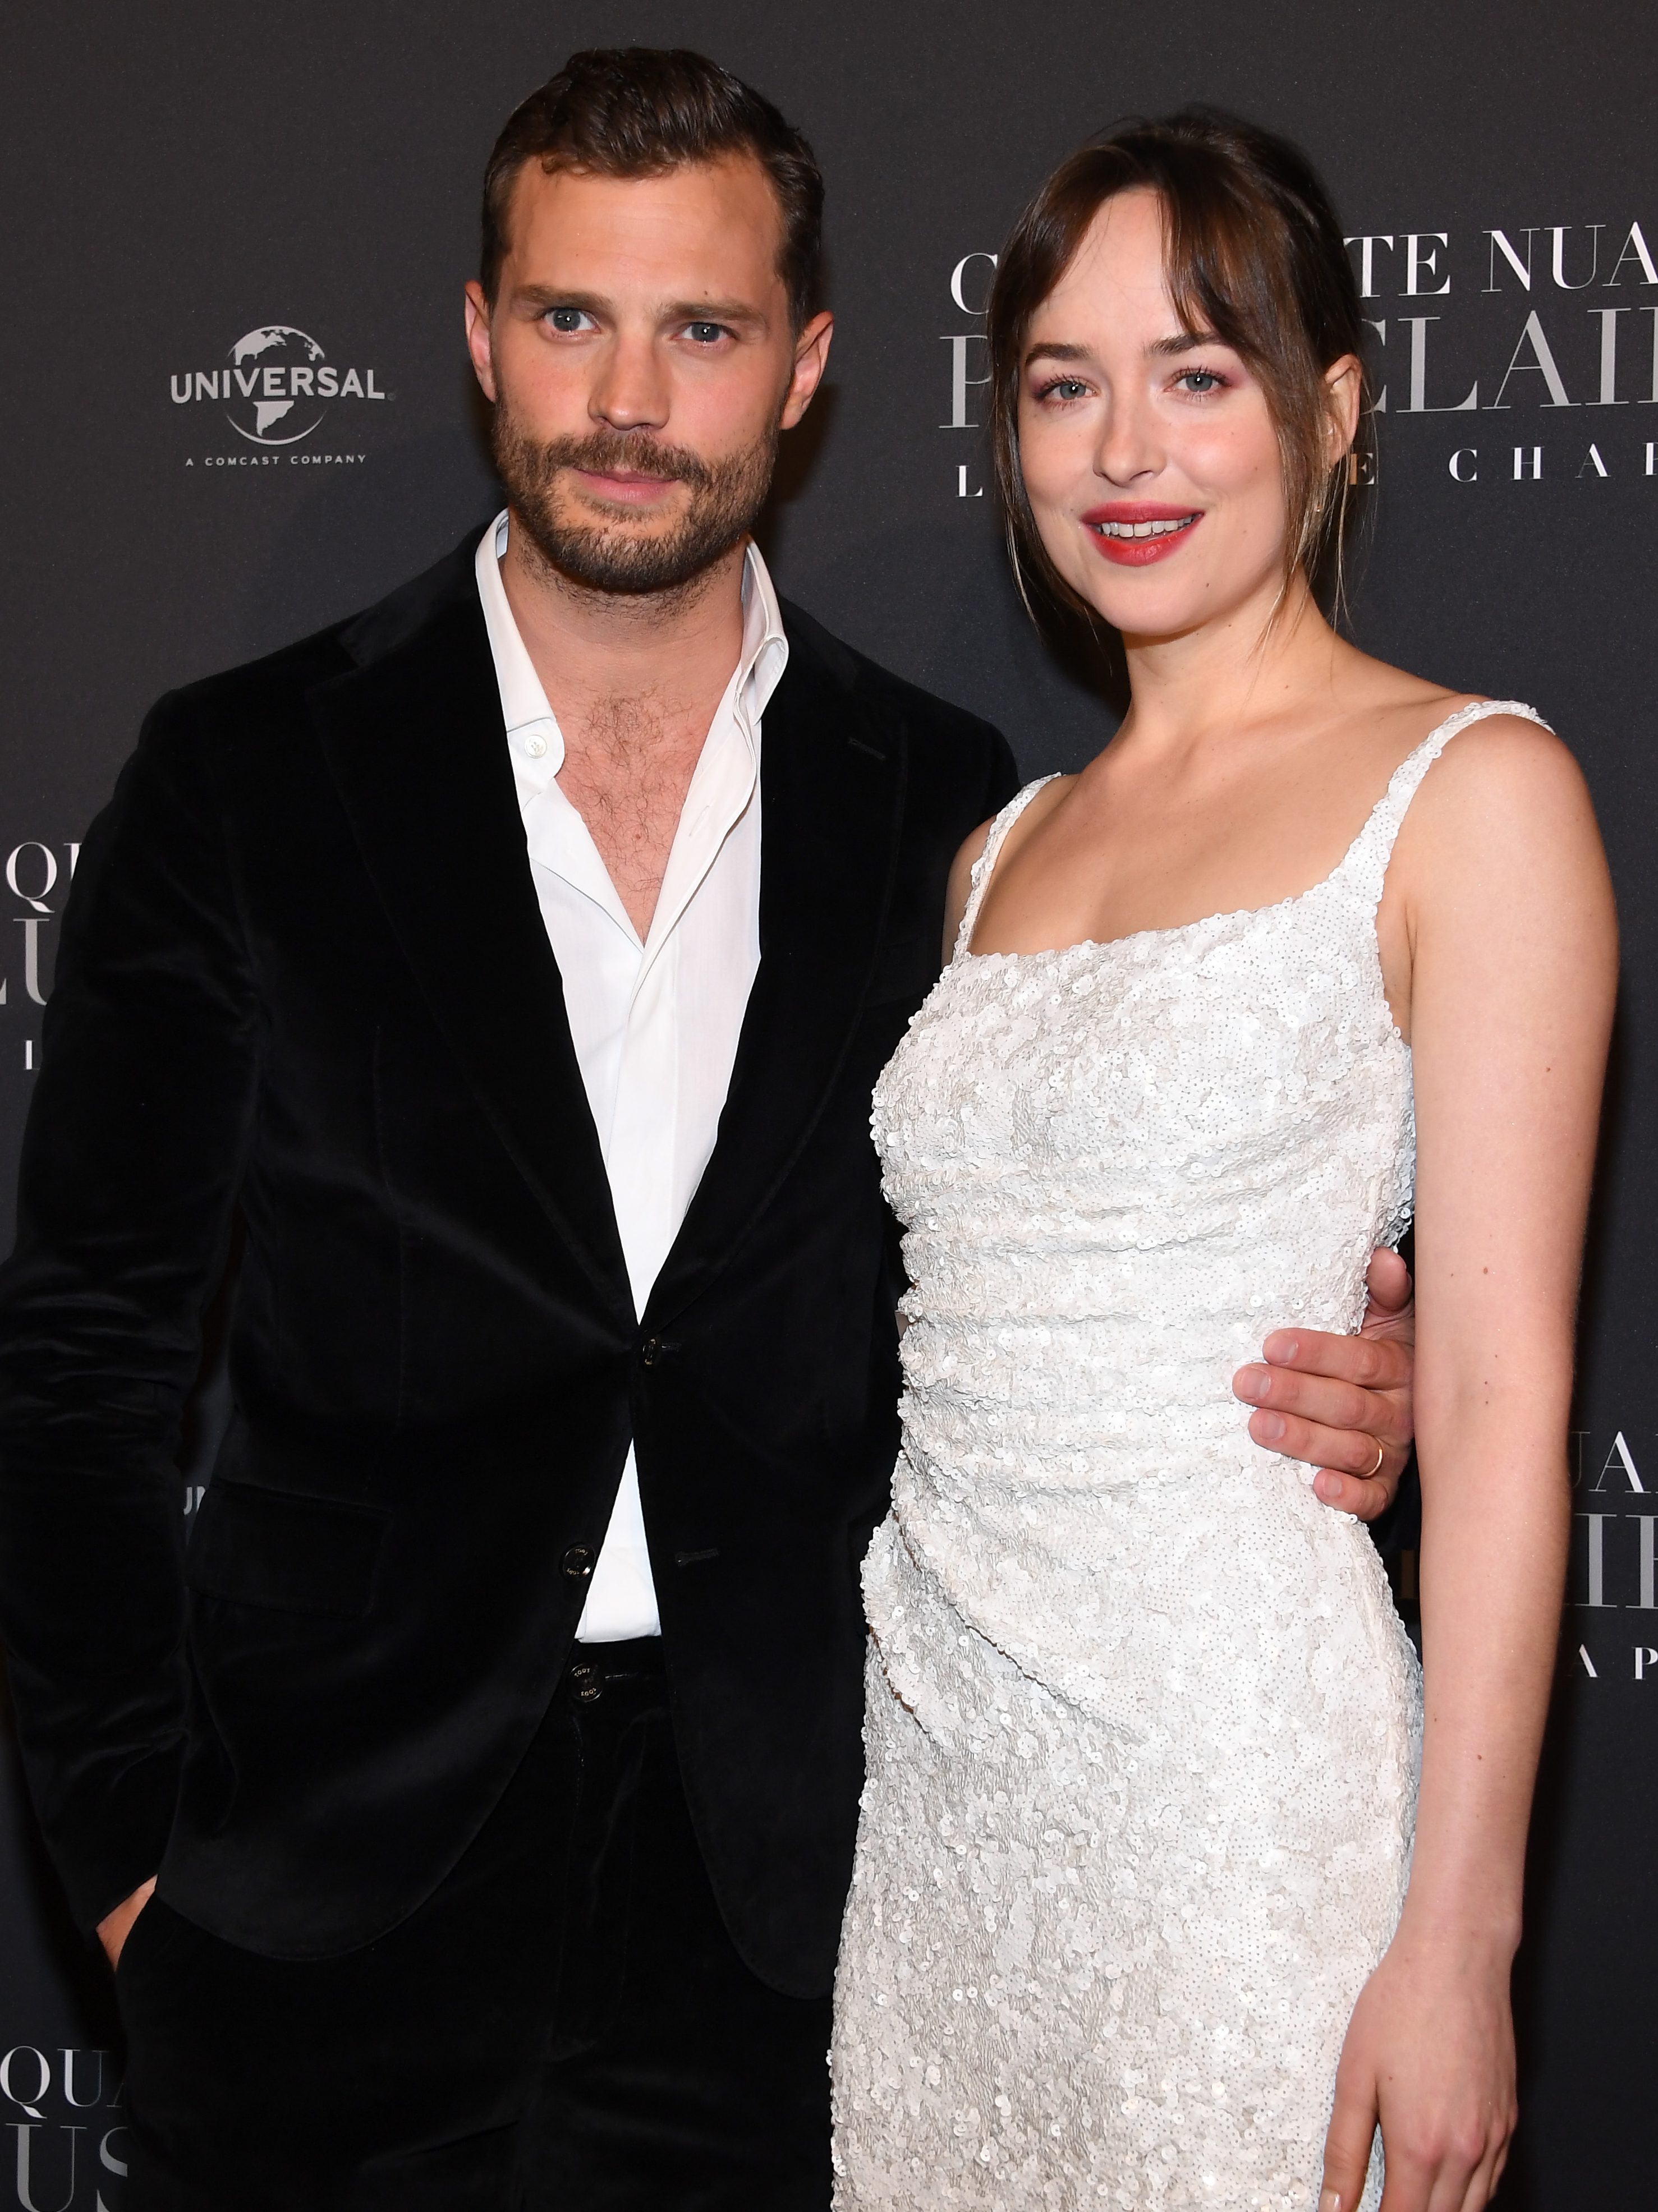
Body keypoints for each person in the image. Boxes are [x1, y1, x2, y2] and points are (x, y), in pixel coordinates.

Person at [0, 57, 1412, 2210]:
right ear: (481, 336)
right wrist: (127, 1876)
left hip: (802, 1905)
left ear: (807, 368)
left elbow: (1044, 1272)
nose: (632, 398)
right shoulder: (242, 775)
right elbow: (81, 1358)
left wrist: (1342, 1381)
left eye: (704, 329)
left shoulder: (952, 810)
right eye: (573, 319)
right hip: (320, 1904)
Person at [830, 110, 1615, 2212]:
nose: (1123, 451)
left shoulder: (1473, 790)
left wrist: (1458, 1941)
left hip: (1242, 1804)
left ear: (1331, 412)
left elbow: (1489, 1392)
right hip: (947, 1810)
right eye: (1063, 386)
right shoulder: (998, 851)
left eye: (1196, 374)